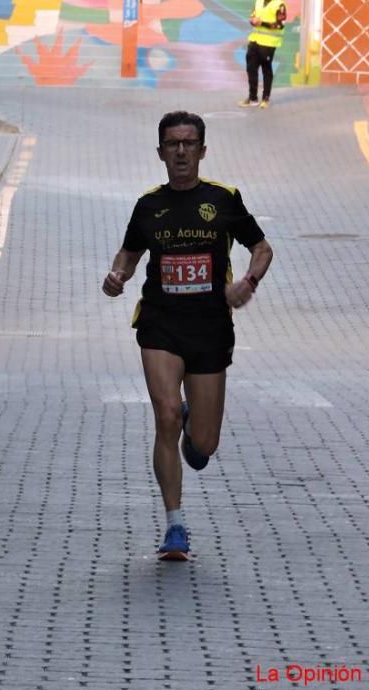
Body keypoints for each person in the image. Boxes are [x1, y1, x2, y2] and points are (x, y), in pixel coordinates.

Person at [102, 111, 273, 561]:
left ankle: (192, 425)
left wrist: (248, 284)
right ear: (160, 152)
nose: (180, 151)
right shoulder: (148, 206)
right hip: (160, 323)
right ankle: (174, 526)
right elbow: (130, 251)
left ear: (202, 150)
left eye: (189, 143)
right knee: (164, 417)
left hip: (210, 328)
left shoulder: (223, 199)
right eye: (172, 144)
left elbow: (261, 247)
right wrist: (117, 275)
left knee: (203, 447)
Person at [239, 0, 287, 109]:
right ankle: (252, 98)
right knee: (251, 68)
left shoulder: (279, 4)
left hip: (269, 43)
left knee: (266, 69)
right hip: (255, 40)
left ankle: (265, 98)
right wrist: (252, 20)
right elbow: (252, 16)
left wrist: (263, 23)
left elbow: (281, 25)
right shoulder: (258, 2)